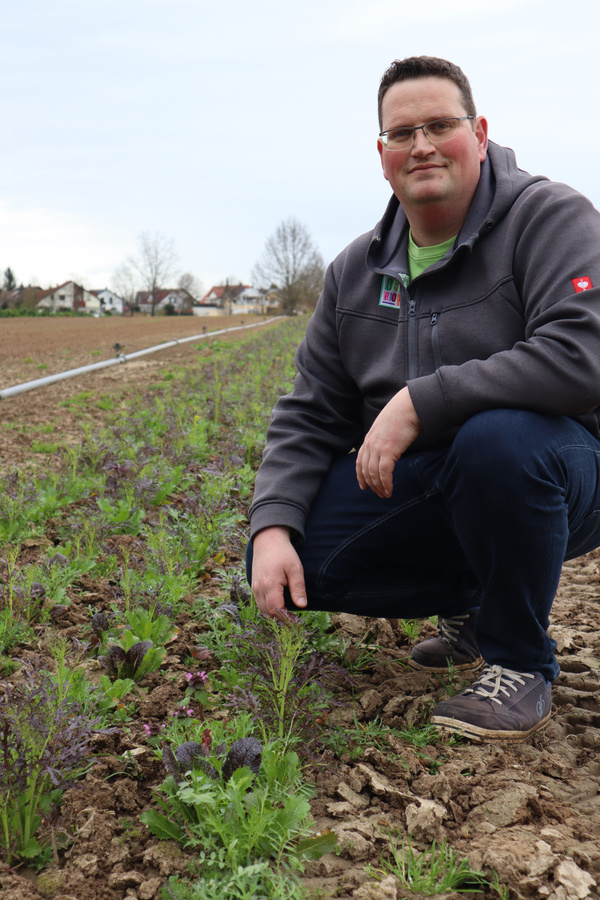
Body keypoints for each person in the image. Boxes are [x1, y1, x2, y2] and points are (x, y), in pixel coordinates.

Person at [246, 56, 600, 742]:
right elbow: (310, 410)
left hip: (561, 467)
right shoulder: (356, 271)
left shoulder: (550, 218)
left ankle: (518, 661)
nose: (423, 145)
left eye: (441, 125)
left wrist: (419, 401)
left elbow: (584, 356)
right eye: (402, 133)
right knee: (297, 554)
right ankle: (475, 599)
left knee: (497, 440)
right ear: (382, 154)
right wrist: (270, 527)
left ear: (481, 132)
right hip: (442, 482)